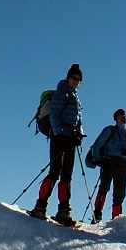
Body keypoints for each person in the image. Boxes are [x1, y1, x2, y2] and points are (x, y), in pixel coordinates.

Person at [30, 64, 85, 226]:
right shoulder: (62, 92)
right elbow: (54, 113)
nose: (76, 81)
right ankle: (40, 207)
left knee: (67, 174)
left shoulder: (75, 97)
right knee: (55, 171)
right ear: (68, 78)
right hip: (60, 137)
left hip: (70, 138)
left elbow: (78, 119)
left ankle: (63, 211)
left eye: (79, 79)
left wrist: (79, 133)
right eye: (74, 78)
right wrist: (59, 133)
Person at [87, 108, 126, 224]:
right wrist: (99, 160)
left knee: (119, 193)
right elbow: (96, 146)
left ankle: (115, 219)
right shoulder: (111, 130)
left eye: (125, 116)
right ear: (116, 118)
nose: (124, 118)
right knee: (104, 189)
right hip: (110, 163)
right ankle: (99, 215)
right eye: (122, 116)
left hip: (119, 164)